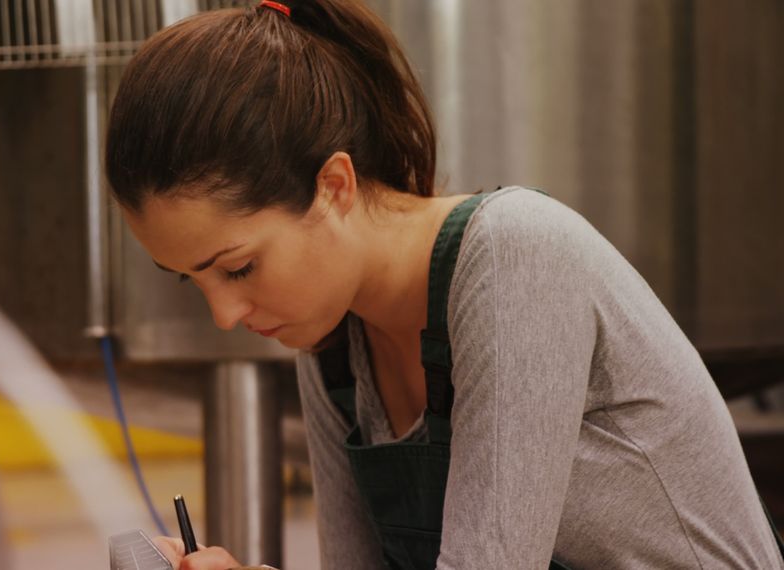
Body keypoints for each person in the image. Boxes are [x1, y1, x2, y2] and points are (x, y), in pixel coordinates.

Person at [104, 1, 784, 568]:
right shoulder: (334, 341)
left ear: (334, 186)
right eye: (193, 281)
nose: (225, 313)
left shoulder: (515, 254)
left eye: (239, 267)